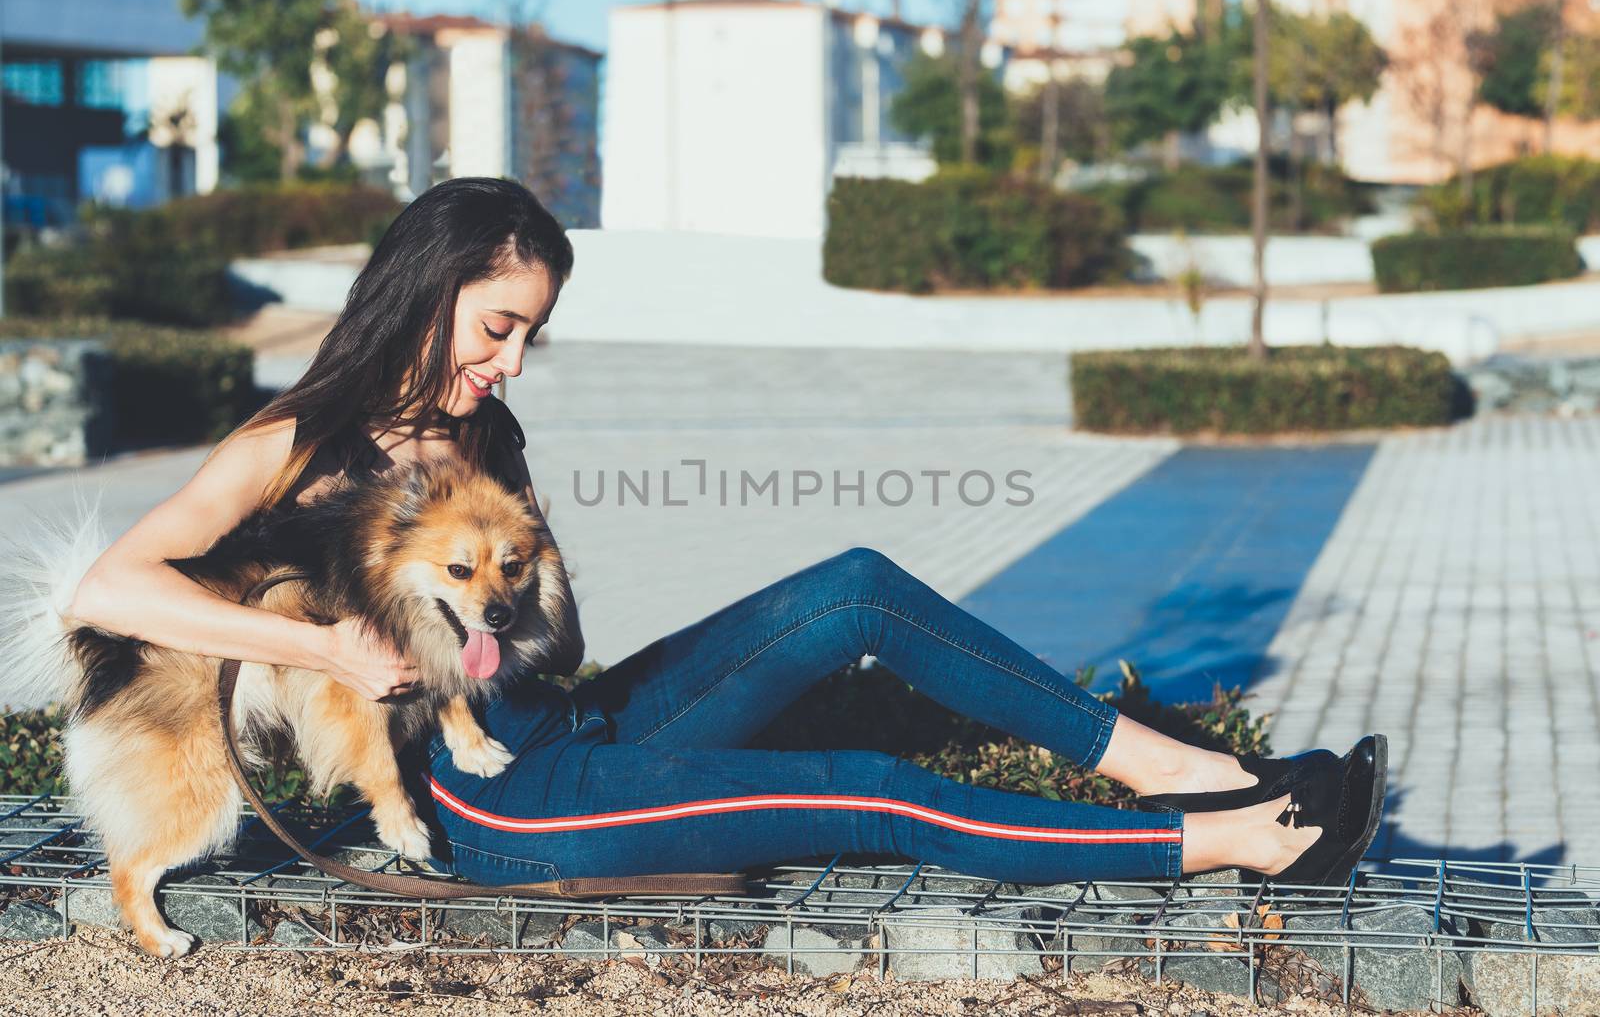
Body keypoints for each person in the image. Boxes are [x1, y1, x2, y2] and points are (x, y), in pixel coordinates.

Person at [67, 177, 1385, 894]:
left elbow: (535, 643)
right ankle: (1226, 838)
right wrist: (336, 655)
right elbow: (115, 588)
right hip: (493, 805)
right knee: (868, 795)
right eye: (495, 329)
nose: (513, 361)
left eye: (529, 334)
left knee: (855, 591)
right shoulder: (297, 440)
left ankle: (1166, 768)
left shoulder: (484, 440)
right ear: (429, 293)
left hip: (569, 729)